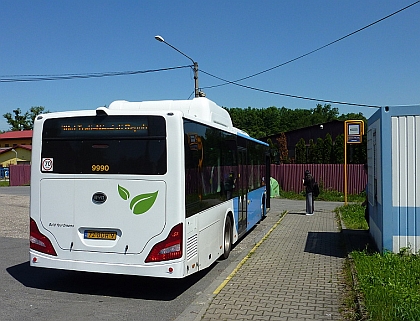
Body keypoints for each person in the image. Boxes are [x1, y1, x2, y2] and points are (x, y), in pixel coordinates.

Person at [361, 163, 369, 231]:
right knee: (367, 215)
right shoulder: (370, 179)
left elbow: (369, 193)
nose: (365, 172)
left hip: (369, 202)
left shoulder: (370, 179)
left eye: (365, 170)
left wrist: (365, 202)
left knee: (367, 215)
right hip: (369, 201)